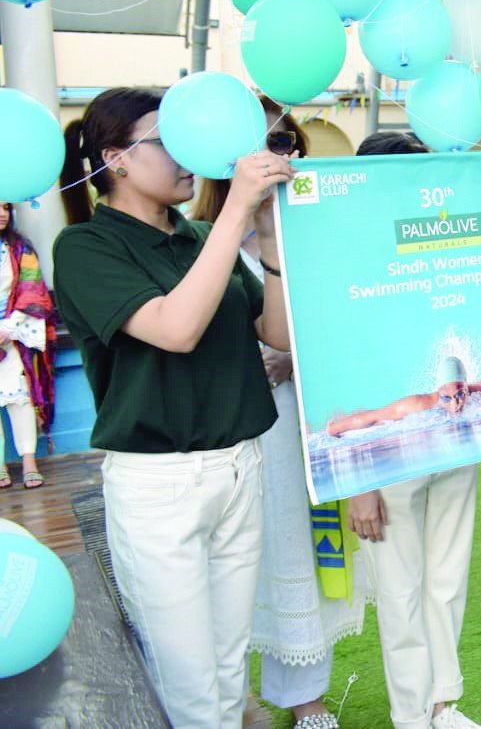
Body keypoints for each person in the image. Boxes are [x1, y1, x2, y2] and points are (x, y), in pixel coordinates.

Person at [52, 86, 296, 727]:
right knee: (187, 682)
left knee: (226, 668)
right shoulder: (86, 248)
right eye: (169, 140)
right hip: (159, 483)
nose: (190, 154)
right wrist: (240, 211)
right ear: (118, 159)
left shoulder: (202, 236)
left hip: (241, 463)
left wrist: (268, 239)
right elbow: (176, 328)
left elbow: (278, 334)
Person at [189, 99, 368, 729]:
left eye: (286, 139)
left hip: (297, 422)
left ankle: (307, 701)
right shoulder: (194, 240)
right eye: (264, 142)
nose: (280, 152)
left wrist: (297, 363)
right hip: (222, 433)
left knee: (296, 549)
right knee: (227, 563)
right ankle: (229, 697)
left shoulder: (318, 232)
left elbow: (350, 326)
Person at [342, 130, 481, 729]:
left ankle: (441, 703)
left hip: (455, 436)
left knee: (447, 580)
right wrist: (358, 478)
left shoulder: (443, 248)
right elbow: (336, 373)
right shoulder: (343, 262)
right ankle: (410, 715)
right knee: (399, 590)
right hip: (387, 453)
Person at [326, 358, 481, 435]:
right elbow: (370, 417)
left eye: (460, 394)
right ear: (438, 392)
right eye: (448, 398)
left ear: (466, 387)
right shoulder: (418, 405)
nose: (457, 403)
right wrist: (334, 429)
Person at [0, 202, 57, 491]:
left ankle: (29, 462)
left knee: (20, 398)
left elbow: (31, 288)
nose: (2, 213)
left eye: (5, 207)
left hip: (13, 334)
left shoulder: (19, 248)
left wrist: (8, 328)